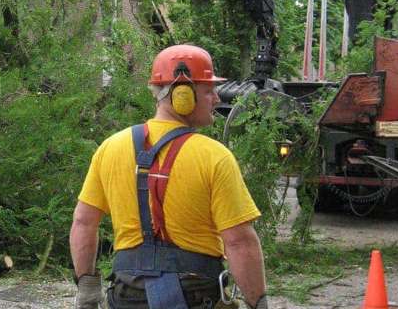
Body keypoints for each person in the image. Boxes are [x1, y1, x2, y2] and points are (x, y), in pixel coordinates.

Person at [70, 44, 268, 309]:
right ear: (182, 94)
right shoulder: (214, 156)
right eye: (208, 90)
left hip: (126, 295)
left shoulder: (111, 147)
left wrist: (87, 289)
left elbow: (84, 222)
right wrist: (258, 304)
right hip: (195, 296)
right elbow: (239, 242)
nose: (217, 99)